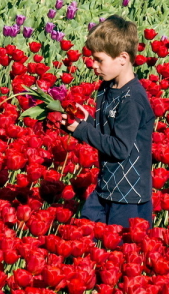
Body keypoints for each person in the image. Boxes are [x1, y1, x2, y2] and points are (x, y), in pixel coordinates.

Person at [65, 16, 155, 230]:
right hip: (106, 186)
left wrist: (83, 131)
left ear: (122, 58)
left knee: (121, 254)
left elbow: (120, 148)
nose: (92, 65)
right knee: (85, 236)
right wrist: (84, 121)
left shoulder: (132, 99)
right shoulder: (107, 88)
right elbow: (108, 133)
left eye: (99, 59)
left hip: (129, 196)